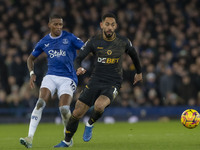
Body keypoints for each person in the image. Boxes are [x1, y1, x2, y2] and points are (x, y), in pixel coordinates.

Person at [54, 13, 143, 148]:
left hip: (113, 82)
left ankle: (90, 123)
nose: (109, 27)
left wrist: (139, 72)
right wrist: (78, 68)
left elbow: (134, 55)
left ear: (116, 26)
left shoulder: (123, 41)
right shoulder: (94, 41)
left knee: (99, 105)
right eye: (107, 24)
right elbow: (78, 59)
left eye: (112, 25)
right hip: (95, 80)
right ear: (101, 25)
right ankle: (66, 141)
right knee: (77, 112)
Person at [19, 14, 84, 148]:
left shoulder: (70, 37)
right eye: (56, 24)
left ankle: (67, 138)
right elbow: (30, 59)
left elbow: (85, 49)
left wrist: (80, 65)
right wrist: (32, 73)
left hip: (68, 77)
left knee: (64, 109)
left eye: (60, 24)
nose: (59, 27)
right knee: (40, 102)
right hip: (51, 76)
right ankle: (29, 137)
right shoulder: (44, 41)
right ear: (49, 25)